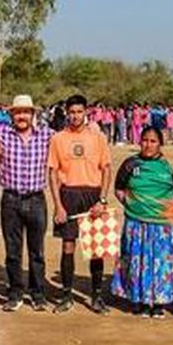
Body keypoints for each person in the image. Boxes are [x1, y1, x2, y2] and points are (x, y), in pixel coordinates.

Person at [47, 94, 113, 315]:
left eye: (79, 112)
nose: (75, 116)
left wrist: (102, 200)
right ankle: (66, 296)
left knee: (96, 249)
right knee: (68, 246)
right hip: (68, 195)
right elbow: (53, 173)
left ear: (86, 112)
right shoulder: (58, 138)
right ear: (67, 113)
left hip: (92, 195)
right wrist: (58, 205)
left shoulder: (98, 138)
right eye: (72, 112)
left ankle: (97, 297)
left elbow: (106, 169)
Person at [112, 126, 173, 318]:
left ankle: (158, 302)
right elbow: (119, 188)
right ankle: (139, 300)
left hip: (161, 225)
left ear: (160, 144)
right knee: (137, 262)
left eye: (153, 141)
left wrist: (164, 207)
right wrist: (132, 204)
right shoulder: (130, 163)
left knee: (160, 263)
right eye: (144, 140)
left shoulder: (171, 164)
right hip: (135, 222)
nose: (148, 145)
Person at [0, 95, 52, 312]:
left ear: (32, 114)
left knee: (37, 251)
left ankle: (38, 294)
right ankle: (15, 292)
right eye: (17, 112)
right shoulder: (0, 135)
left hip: (36, 199)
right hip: (11, 199)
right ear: (11, 115)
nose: (22, 116)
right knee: (13, 251)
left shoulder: (47, 135)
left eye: (26, 112)